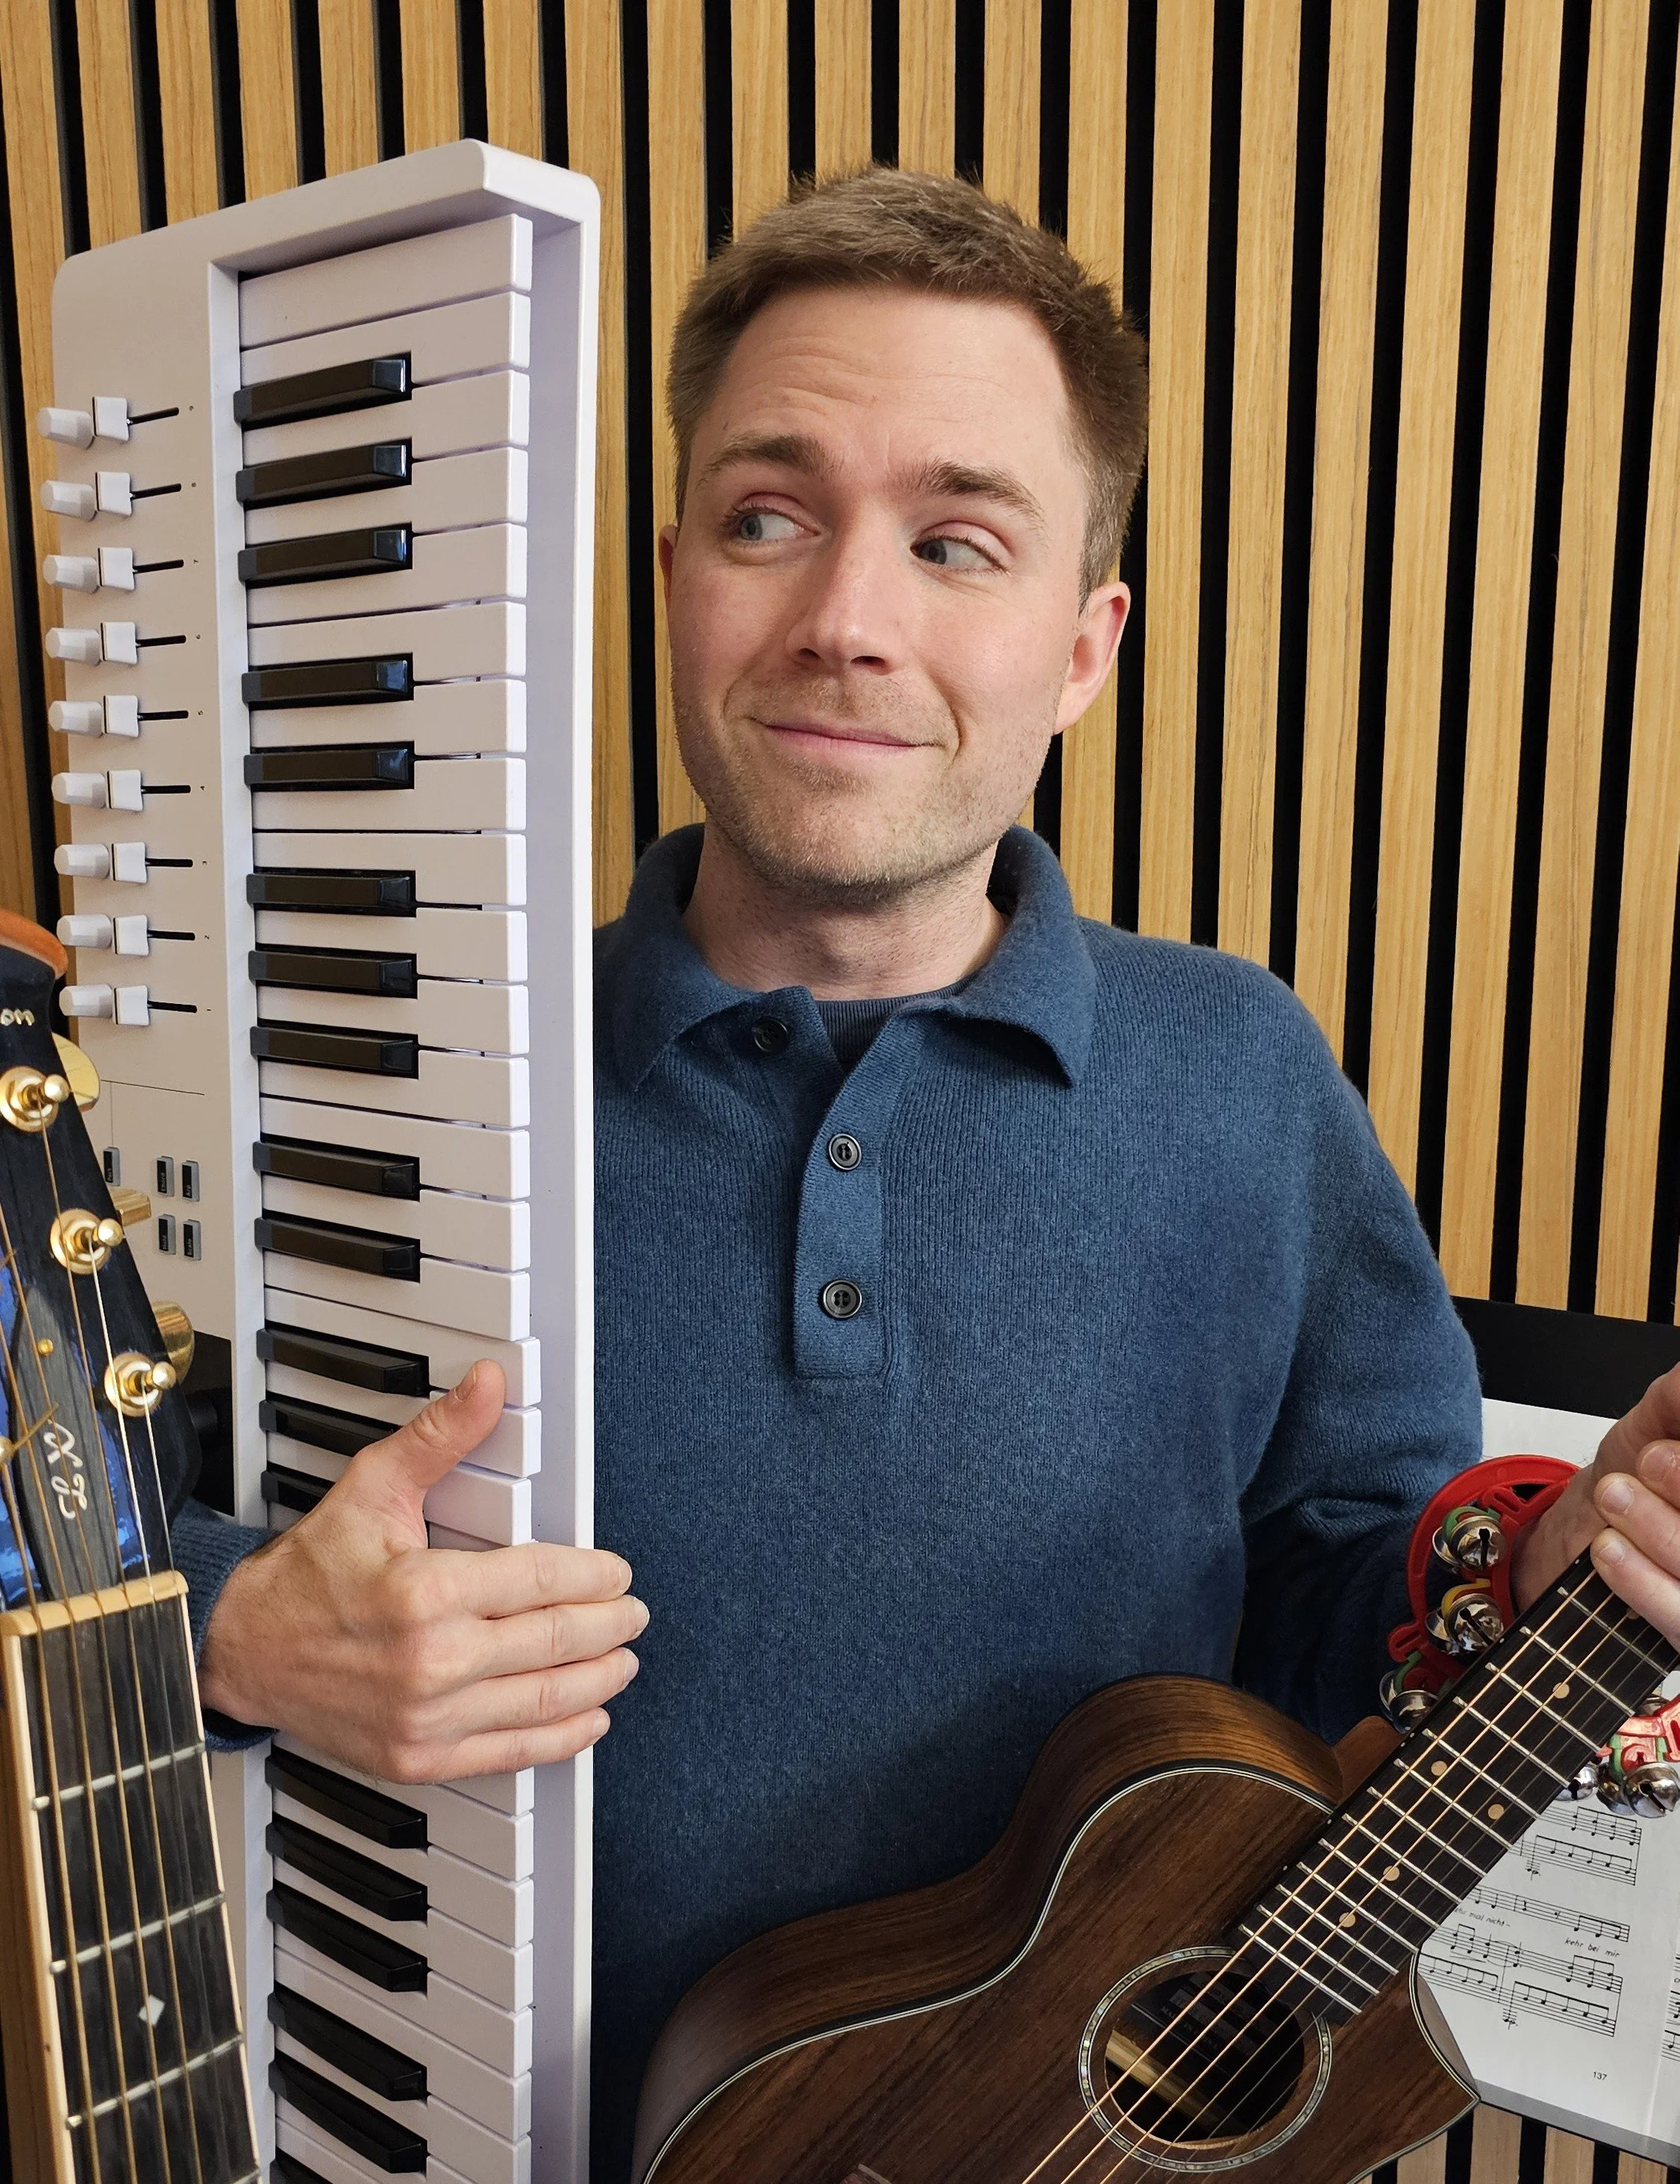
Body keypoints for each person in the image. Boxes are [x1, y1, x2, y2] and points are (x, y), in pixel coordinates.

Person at [191, 169, 1680, 2177]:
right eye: (766, 517)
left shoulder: (1240, 1076)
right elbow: (63, 1534)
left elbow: (1346, 1592)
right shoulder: (383, 1075)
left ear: (1082, 643)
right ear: (666, 579)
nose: (844, 622)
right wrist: (235, 1630)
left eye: (954, 541)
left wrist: (1535, 1566)